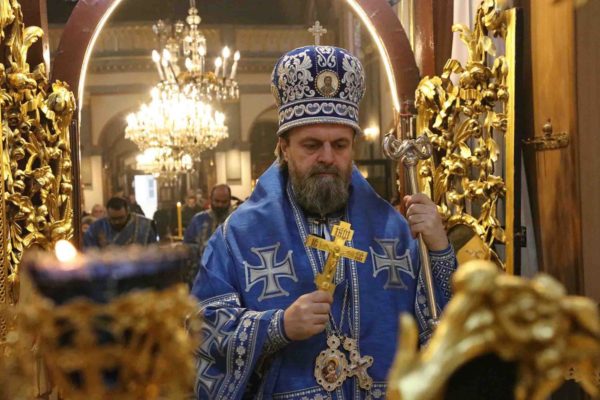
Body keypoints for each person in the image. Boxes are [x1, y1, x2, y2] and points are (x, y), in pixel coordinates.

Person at [192, 45, 457, 399]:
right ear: (284, 147)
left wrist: (438, 249)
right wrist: (278, 326)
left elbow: (444, 331)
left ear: (353, 147)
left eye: (340, 145)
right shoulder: (238, 236)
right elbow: (202, 331)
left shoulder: (392, 229)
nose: (327, 157)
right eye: (312, 145)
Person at [184, 184, 233, 283]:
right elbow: (187, 247)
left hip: (229, 278)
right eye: (217, 201)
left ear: (229, 201)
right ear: (210, 199)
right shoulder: (198, 219)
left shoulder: (235, 220)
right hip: (202, 277)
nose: (220, 205)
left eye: (224, 202)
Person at [83, 196, 157, 248]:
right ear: (107, 213)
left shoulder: (144, 225)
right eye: (113, 219)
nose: (117, 222)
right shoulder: (96, 227)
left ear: (127, 212)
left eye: (121, 218)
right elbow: (89, 252)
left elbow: (153, 251)